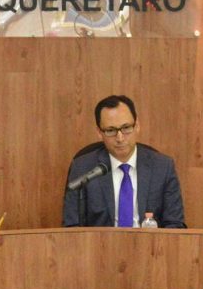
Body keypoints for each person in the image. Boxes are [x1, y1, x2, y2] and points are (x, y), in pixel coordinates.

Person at [62, 95, 186, 228]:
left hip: (150, 241)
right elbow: (71, 226)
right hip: (99, 241)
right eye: (110, 130)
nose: (120, 138)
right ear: (99, 132)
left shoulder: (162, 167)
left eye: (126, 128)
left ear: (137, 126)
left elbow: (175, 225)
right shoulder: (83, 168)